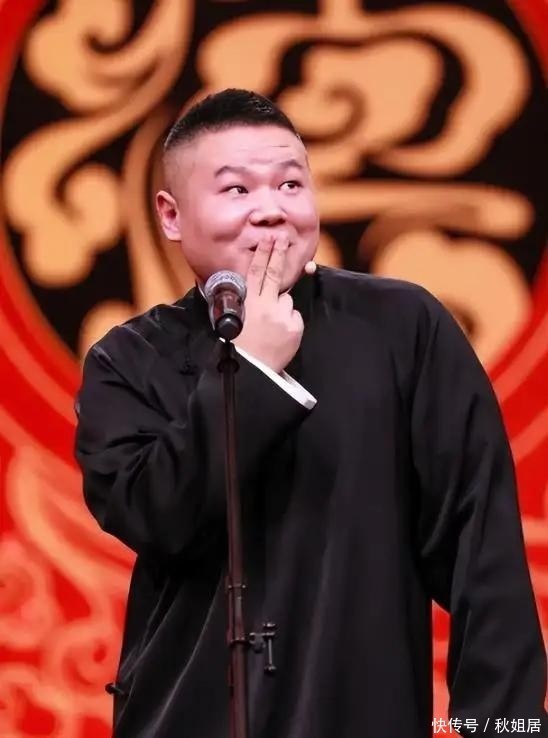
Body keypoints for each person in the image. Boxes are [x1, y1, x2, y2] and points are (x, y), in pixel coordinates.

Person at [74, 89, 547, 738]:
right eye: (237, 190)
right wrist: (251, 369)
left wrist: (503, 728)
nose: (271, 209)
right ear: (171, 215)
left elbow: (481, 553)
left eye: (291, 184)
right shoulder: (128, 359)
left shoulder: (403, 329)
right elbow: (152, 514)